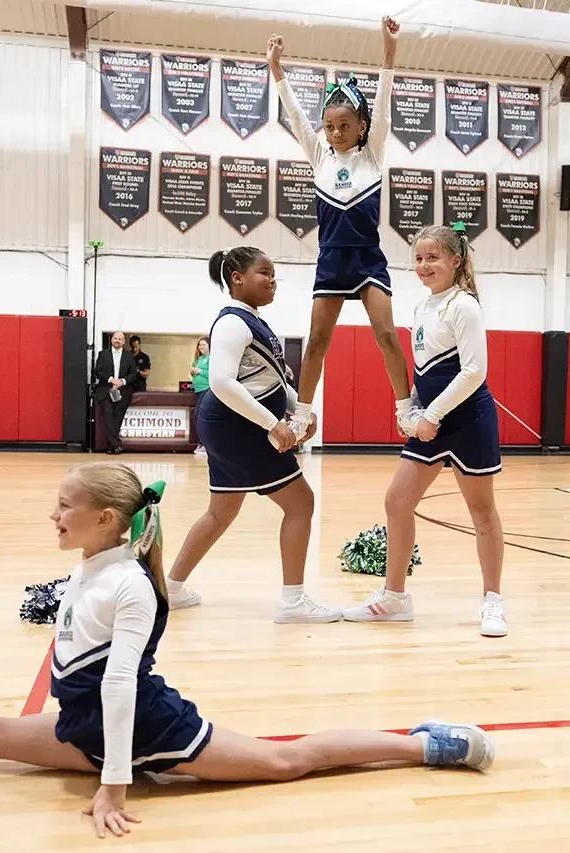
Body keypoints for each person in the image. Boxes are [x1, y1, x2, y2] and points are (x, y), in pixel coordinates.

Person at [0, 462, 494, 840]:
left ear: (106, 519)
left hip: (150, 732)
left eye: (65, 504)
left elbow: (120, 687)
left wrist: (115, 782)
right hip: (85, 727)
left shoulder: (130, 587)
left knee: (286, 759)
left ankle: (424, 744)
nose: (53, 513)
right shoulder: (92, 567)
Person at [342, 223, 506, 637]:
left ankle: (492, 602)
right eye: (418, 258)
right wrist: (410, 409)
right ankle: (395, 597)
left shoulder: (464, 305)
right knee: (398, 501)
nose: (424, 265)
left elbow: (473, 371)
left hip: (468, 421)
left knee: (482, 512)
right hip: (431, 418)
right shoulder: (422, 308)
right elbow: (425, 371)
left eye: (433, 257)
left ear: (456, 260)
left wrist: (430, 415)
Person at [165, 247, 341, 623]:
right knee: (301, 503)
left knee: (221, 511)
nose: (272, 280)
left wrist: (299, 409)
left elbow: (272, 378)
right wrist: (272, 424)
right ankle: (293, 602)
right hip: (237, 427)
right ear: (237, 278)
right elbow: (222, 382)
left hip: (228, 425)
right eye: (264, 272)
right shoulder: (232, 322)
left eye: (274, 274)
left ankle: (173, 588)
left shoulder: (253, 320)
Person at [268, 17, 415, 442]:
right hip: (331, 259)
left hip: (368, 256)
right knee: (316, 342)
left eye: (344, 126)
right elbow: (295, 115)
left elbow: (384, 98)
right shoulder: (320, 156)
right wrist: (276, 68)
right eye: (330, 126)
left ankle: (405, 408)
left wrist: (389, 51)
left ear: (362, 126)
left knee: (386, 335)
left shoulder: (373, 155)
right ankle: (301, 414)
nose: (335, 132)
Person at [93, 331, 139, 454]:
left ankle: (112, 446)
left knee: (118, 418)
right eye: (115, 338)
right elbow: (98, 371)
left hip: (123, 391)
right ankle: (116, 444)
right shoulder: (103, 354)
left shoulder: (129, 357)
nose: (117, 341)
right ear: (111, 340)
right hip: (106, 390)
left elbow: (133, 374)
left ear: (124, 342)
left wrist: (122, 382)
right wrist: (111, 379)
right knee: (108, 417)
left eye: (120, 339)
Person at [190, 336, 211, 456]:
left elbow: (212, 374)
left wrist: (199, 372)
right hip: (198, 390)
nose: (200, 347)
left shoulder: (211, 358)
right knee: (197, 417)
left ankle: (205, 444)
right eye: (199, 345)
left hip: (207, 390)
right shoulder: (199, 359)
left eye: (203, 344)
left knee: (199, 415)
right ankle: (201, 444)